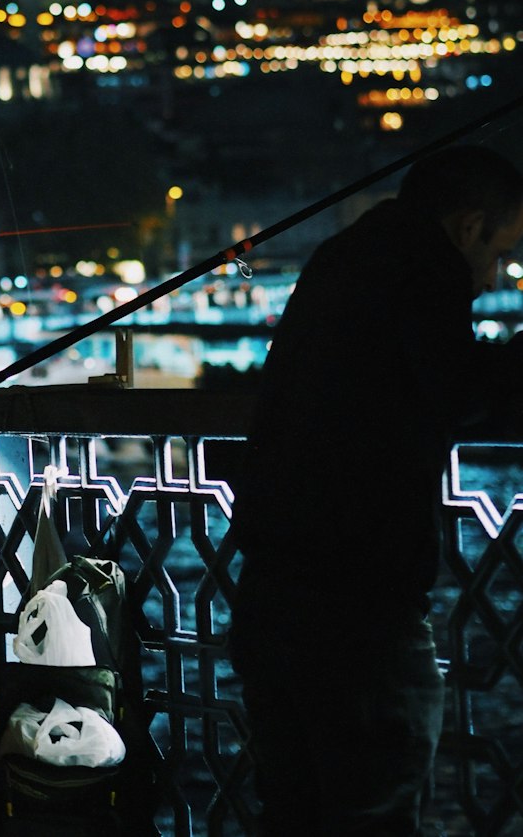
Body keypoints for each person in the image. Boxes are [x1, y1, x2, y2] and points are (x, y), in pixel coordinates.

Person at [229, 143, 523, 837]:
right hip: (355, 620)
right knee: (373, 815)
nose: (491, 277)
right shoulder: (421, 267)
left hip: (270, 598)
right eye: (500, 253)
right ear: (469, 224)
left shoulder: (346, 255)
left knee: (293, 814)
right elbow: (460, 388)